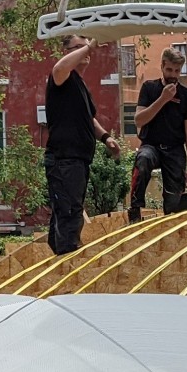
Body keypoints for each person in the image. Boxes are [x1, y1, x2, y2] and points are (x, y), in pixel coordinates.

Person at [42, 35, 119, 254]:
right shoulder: (61, 77)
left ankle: (58, 259)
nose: (85, 51)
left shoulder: (79, 85)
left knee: (66, 214)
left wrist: (106, 138)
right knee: (69, 215)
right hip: (64, 159)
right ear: (66, 52)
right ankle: (66, 264)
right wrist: (90, 47)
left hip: (77, 161)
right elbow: (58, 68)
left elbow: (89, 119)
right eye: (78, 47)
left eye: (85, 46)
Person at [127, 46, 187, 220]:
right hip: (151, 144)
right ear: (162, 66)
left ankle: (171, 222)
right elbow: (139, 120)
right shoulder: (149, 88)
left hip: (174, 148)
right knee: (143, 159)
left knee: (174, 203)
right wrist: (162, 99)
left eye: (176, 70)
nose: (173, 74)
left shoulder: (186, 96)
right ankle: (136, 209)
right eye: (169, 69)